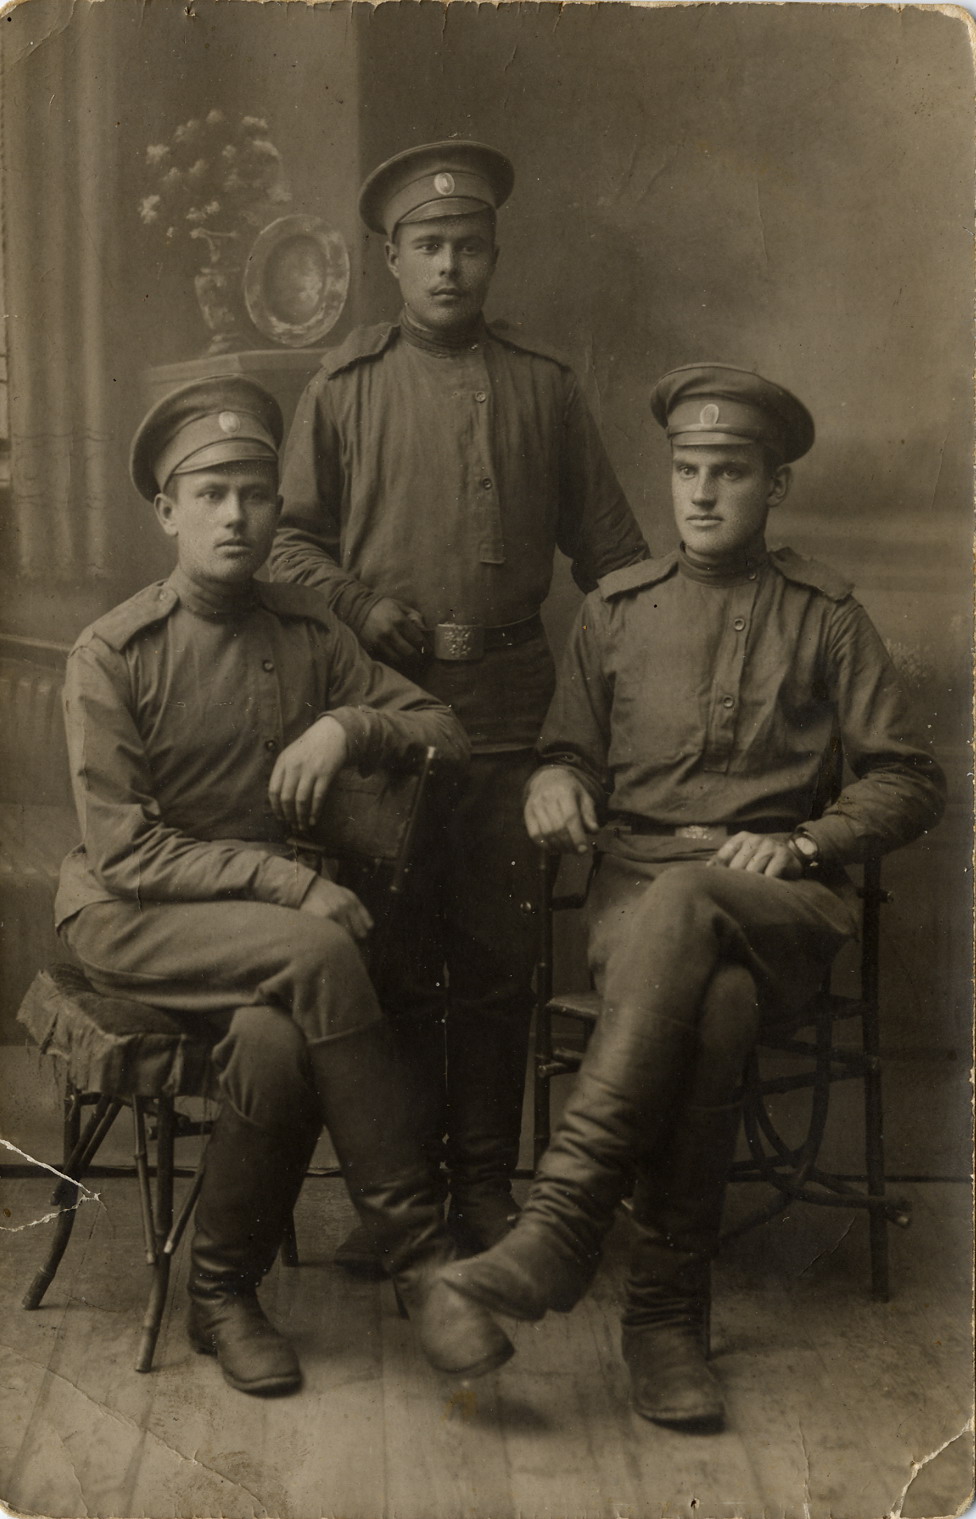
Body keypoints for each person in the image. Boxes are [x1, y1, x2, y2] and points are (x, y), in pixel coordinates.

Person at [441, 363, 947, 1430]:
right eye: (686, 470)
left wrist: (806, 841)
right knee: (711, 1003)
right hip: (637, 905)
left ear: (776, 485)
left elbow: (908, 779)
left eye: (730, 471)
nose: (703, 493)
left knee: (694, 907)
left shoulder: (827, 616)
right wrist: (552, 782)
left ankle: (561, 1222)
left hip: (782, 903)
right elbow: (568, 750)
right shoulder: (615, 610)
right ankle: (665, 1318)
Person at [54, 376, 512, 1398]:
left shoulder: (310, 632)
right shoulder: (112, 654)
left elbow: (446, 732)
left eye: (256, 493)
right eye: (210, 493)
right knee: (319, 949)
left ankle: (221, 1293)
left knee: (274, 1038)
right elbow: (126, 853)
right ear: (166, 510)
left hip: (261, 935)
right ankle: (422, 1261)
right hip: (133, 917)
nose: (236, 515)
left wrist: (346, 724)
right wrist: (287, 884)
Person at [272, 140, 649, 1265]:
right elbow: (287, 547)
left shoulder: (546, 385)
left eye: (469, 246)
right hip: (382, 720)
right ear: (390, 259)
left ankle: (484, 1190)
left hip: (514, 724)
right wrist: (356, 601)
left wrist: (629, 696)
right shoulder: (343, 387)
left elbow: (616, 561)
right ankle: (400, 1199)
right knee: (388, 966)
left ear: (494, 256)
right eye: (428, 246)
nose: (449, 266)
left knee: (495, 967)